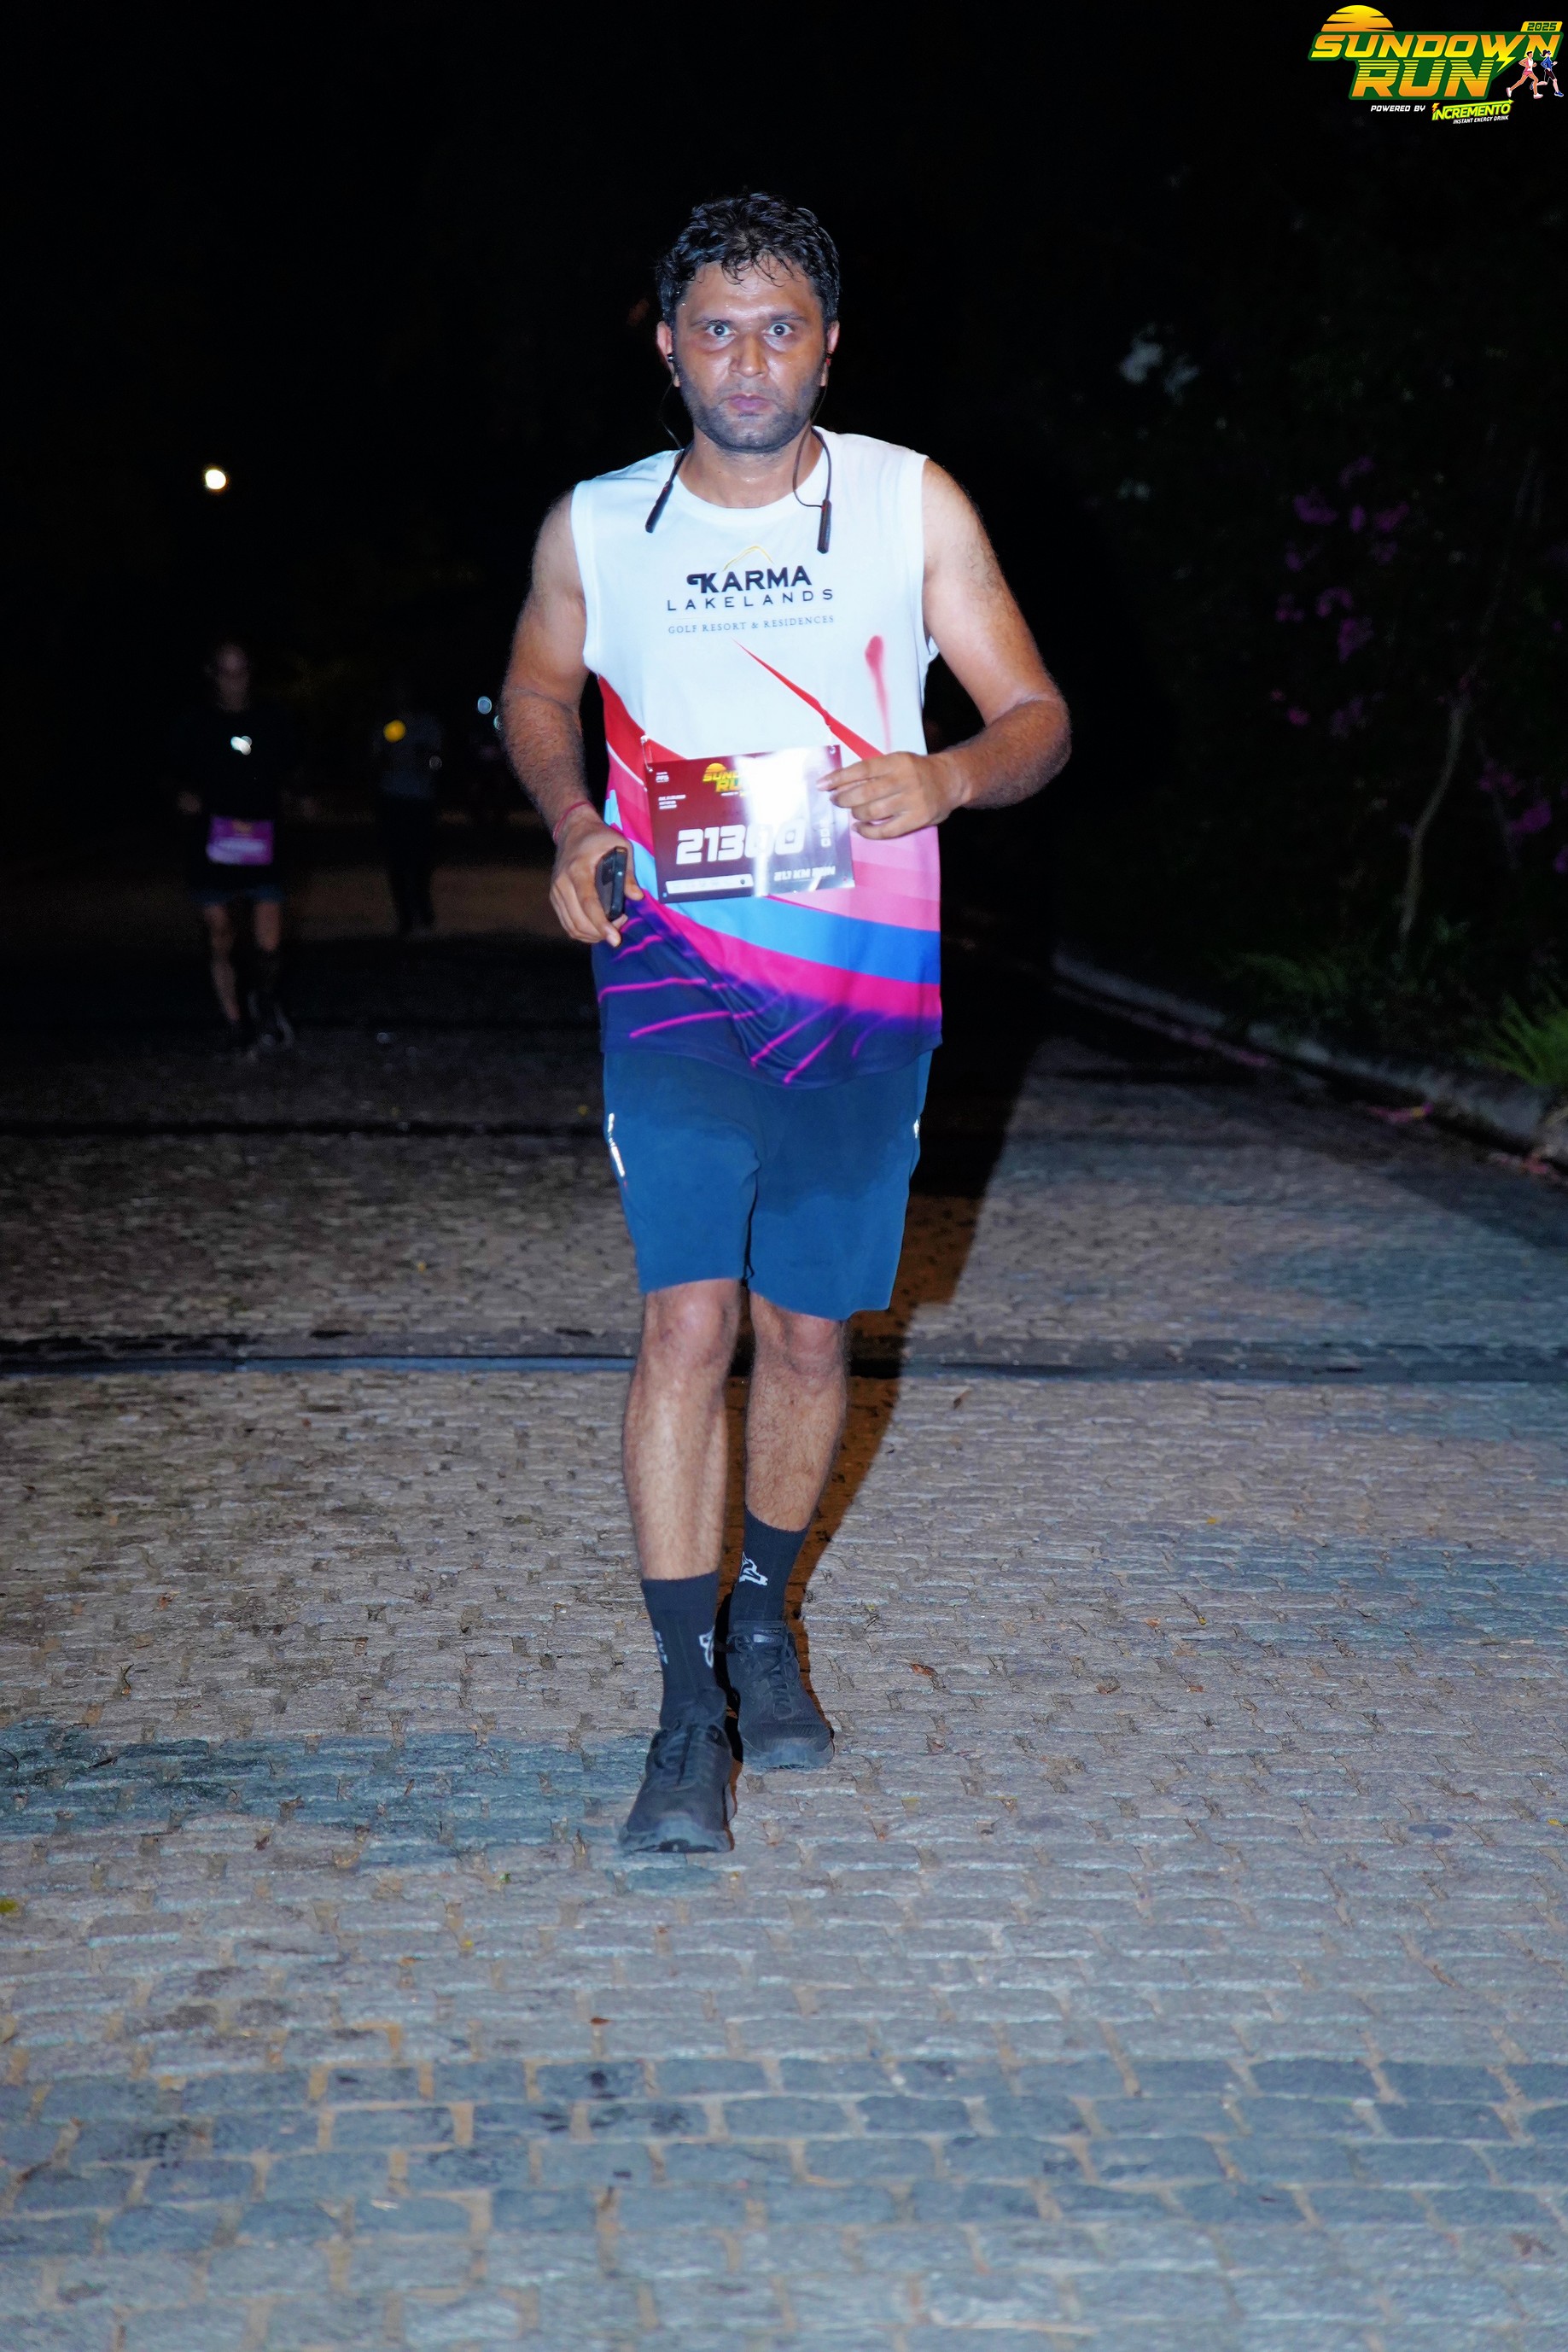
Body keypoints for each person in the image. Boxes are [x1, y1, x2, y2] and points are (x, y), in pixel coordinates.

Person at [503, 193, 1070, 1853]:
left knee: (809, 1335)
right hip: (670, 963)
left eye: (779, 328)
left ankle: (762, 1610)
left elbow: (1035, 715)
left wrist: (946, 776)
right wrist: (571, 825)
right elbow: (537, 689)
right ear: (666, 347)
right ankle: (688, 1712)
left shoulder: (907, 502)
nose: (746, 360)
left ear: (827, 345)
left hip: (861, 977)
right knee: (687, 1320)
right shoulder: (598, 527)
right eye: (716, 329)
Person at [165, 639, 299, 1048]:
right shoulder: (194, 724)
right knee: (220, 933)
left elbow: (292, 767)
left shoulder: (272, 719)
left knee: (269, 940)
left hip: (262, 839)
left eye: (241, 672)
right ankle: (235, 1019)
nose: (234, 682)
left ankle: (265, 999)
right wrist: (181, 796)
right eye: (226, 673)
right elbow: (170, 773)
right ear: (212, 675)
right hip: (212, 844)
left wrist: (297, 796)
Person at [373, 689, 444, 934]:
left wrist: (427, 759)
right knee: (397, 857)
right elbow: (376, 757)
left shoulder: (427, 724)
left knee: (422, 856)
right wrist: (386, 760)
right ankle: (404, 913)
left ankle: (422, 905)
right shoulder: (387, 724)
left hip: (421, 797)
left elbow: (438, 759)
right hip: (393, 796)